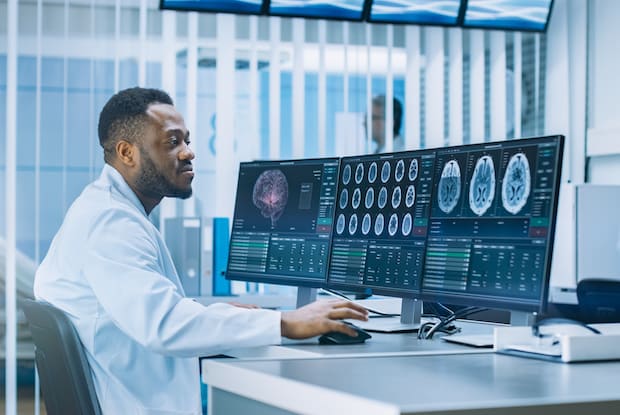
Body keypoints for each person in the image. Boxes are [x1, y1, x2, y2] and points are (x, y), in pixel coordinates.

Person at [33, 87, 368, 415]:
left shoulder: (106, 209)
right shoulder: (110, 222)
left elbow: (141, 307)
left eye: (187, 141)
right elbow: (163, 325)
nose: (188, 153)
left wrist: (210, 312)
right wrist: (285, 322)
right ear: (127, 153)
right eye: (172, 142)